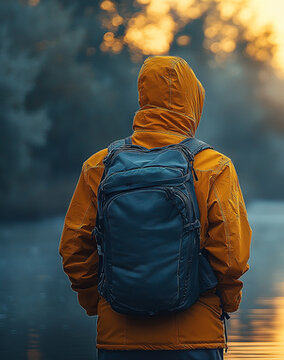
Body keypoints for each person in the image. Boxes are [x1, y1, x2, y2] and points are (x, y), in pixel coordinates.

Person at [59, 56, 252, 360]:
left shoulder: (99, 166)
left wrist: (100, 303)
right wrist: (224, 303)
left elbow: (73, 249)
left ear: (143, 98)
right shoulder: (214, 167)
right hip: (195, 340)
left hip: (117, 340)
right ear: (193, 101)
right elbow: (231, 257)